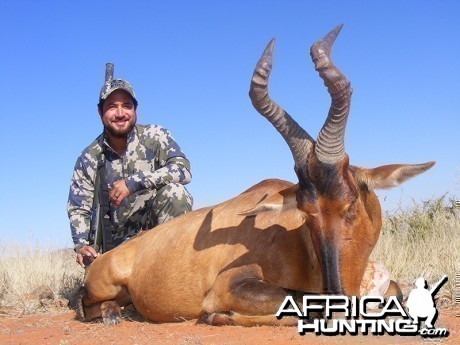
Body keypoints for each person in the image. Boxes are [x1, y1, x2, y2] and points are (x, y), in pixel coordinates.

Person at [67, 63, 193, 268]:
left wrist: (134, 182)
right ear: (100, 112)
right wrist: (81, 246)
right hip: (116, 250)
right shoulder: (88, 157)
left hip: (157, 239)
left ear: (135, 109)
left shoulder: (155, 136)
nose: (120, 113)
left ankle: (176, 271)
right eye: (111, 106)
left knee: (175, 193)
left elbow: (182, 170)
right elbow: (78, 208)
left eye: (127, 105)